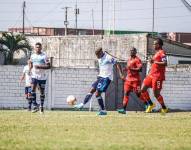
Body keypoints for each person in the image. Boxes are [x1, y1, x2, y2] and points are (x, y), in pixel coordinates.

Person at [74, 47, 118, 115]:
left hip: (106, 78)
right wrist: (99, 75)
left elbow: (117, 63)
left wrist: (121, 74)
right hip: (100, 77)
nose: (97, 57)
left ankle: (103, 111)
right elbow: (102, 67)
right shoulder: (99, 58)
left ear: (101, 53)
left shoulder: (108, 57)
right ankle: (82, 104)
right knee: (92, 90)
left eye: (97, 55)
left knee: (97, 93)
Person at [116, 47, 152, 114]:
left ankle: (147, 104)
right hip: (128, 80)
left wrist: (131, 68)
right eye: (130, 51)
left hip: (136, 80)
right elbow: (128, 68)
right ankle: (123, 109)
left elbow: (140, 69)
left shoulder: (137, 60)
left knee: (138, 94)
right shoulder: (129, 60)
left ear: (135, 52)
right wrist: (125, 69)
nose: (131, 52)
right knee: (126, 93)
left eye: (132, 51)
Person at [141, 38, 168, 113]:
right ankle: (151, 104)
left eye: (154, 44)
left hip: (158, 76)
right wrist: (152, 62)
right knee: (142, 89)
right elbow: (154, 63)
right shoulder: (156, 53)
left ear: (159, 45)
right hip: (151, 75)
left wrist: (154, 61)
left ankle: (164, 108)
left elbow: (165, 63)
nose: (153, 45)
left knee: (156, 94)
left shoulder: (162, 52)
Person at [30, 42, 50, 114]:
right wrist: (30, 70)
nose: (38, 48)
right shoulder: (32, 56)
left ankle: (41, 106)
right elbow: (31, 64)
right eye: (36, 47)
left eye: (39, 47)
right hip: (34, 76)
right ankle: (35, 105)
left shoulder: (44, 56)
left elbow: (48, 66)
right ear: (35, 48)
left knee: (42, 92)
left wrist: (39, 66)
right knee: (32, 89)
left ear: (41, 48)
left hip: (42, 77)